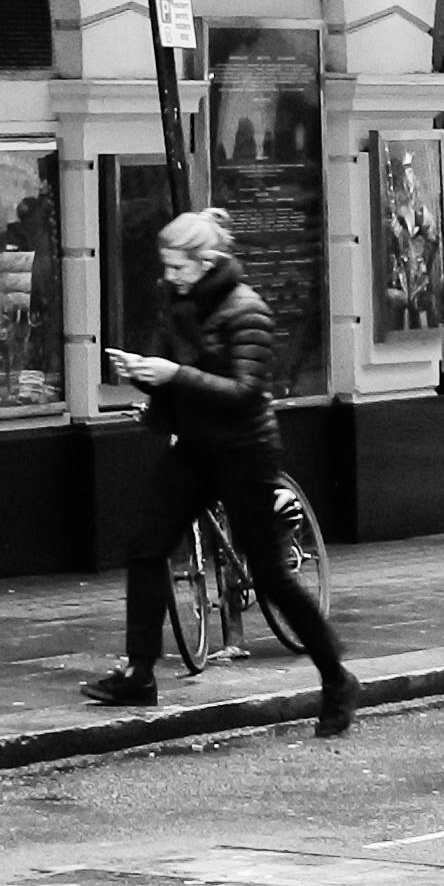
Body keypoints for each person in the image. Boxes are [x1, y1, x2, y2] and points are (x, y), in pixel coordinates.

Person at [87, 202, 359, 735]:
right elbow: (178, 372)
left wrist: (172, 374)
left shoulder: (247, 309)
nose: (170, 276)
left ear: (206, 262)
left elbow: (245, 392)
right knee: (145, 547)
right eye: (166, 266)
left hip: (244, 453)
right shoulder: (179, 302)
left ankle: (336, 678)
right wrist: (142, 373)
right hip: (194, 447)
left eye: (178, 267)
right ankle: (139, 673)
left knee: (271, 576)